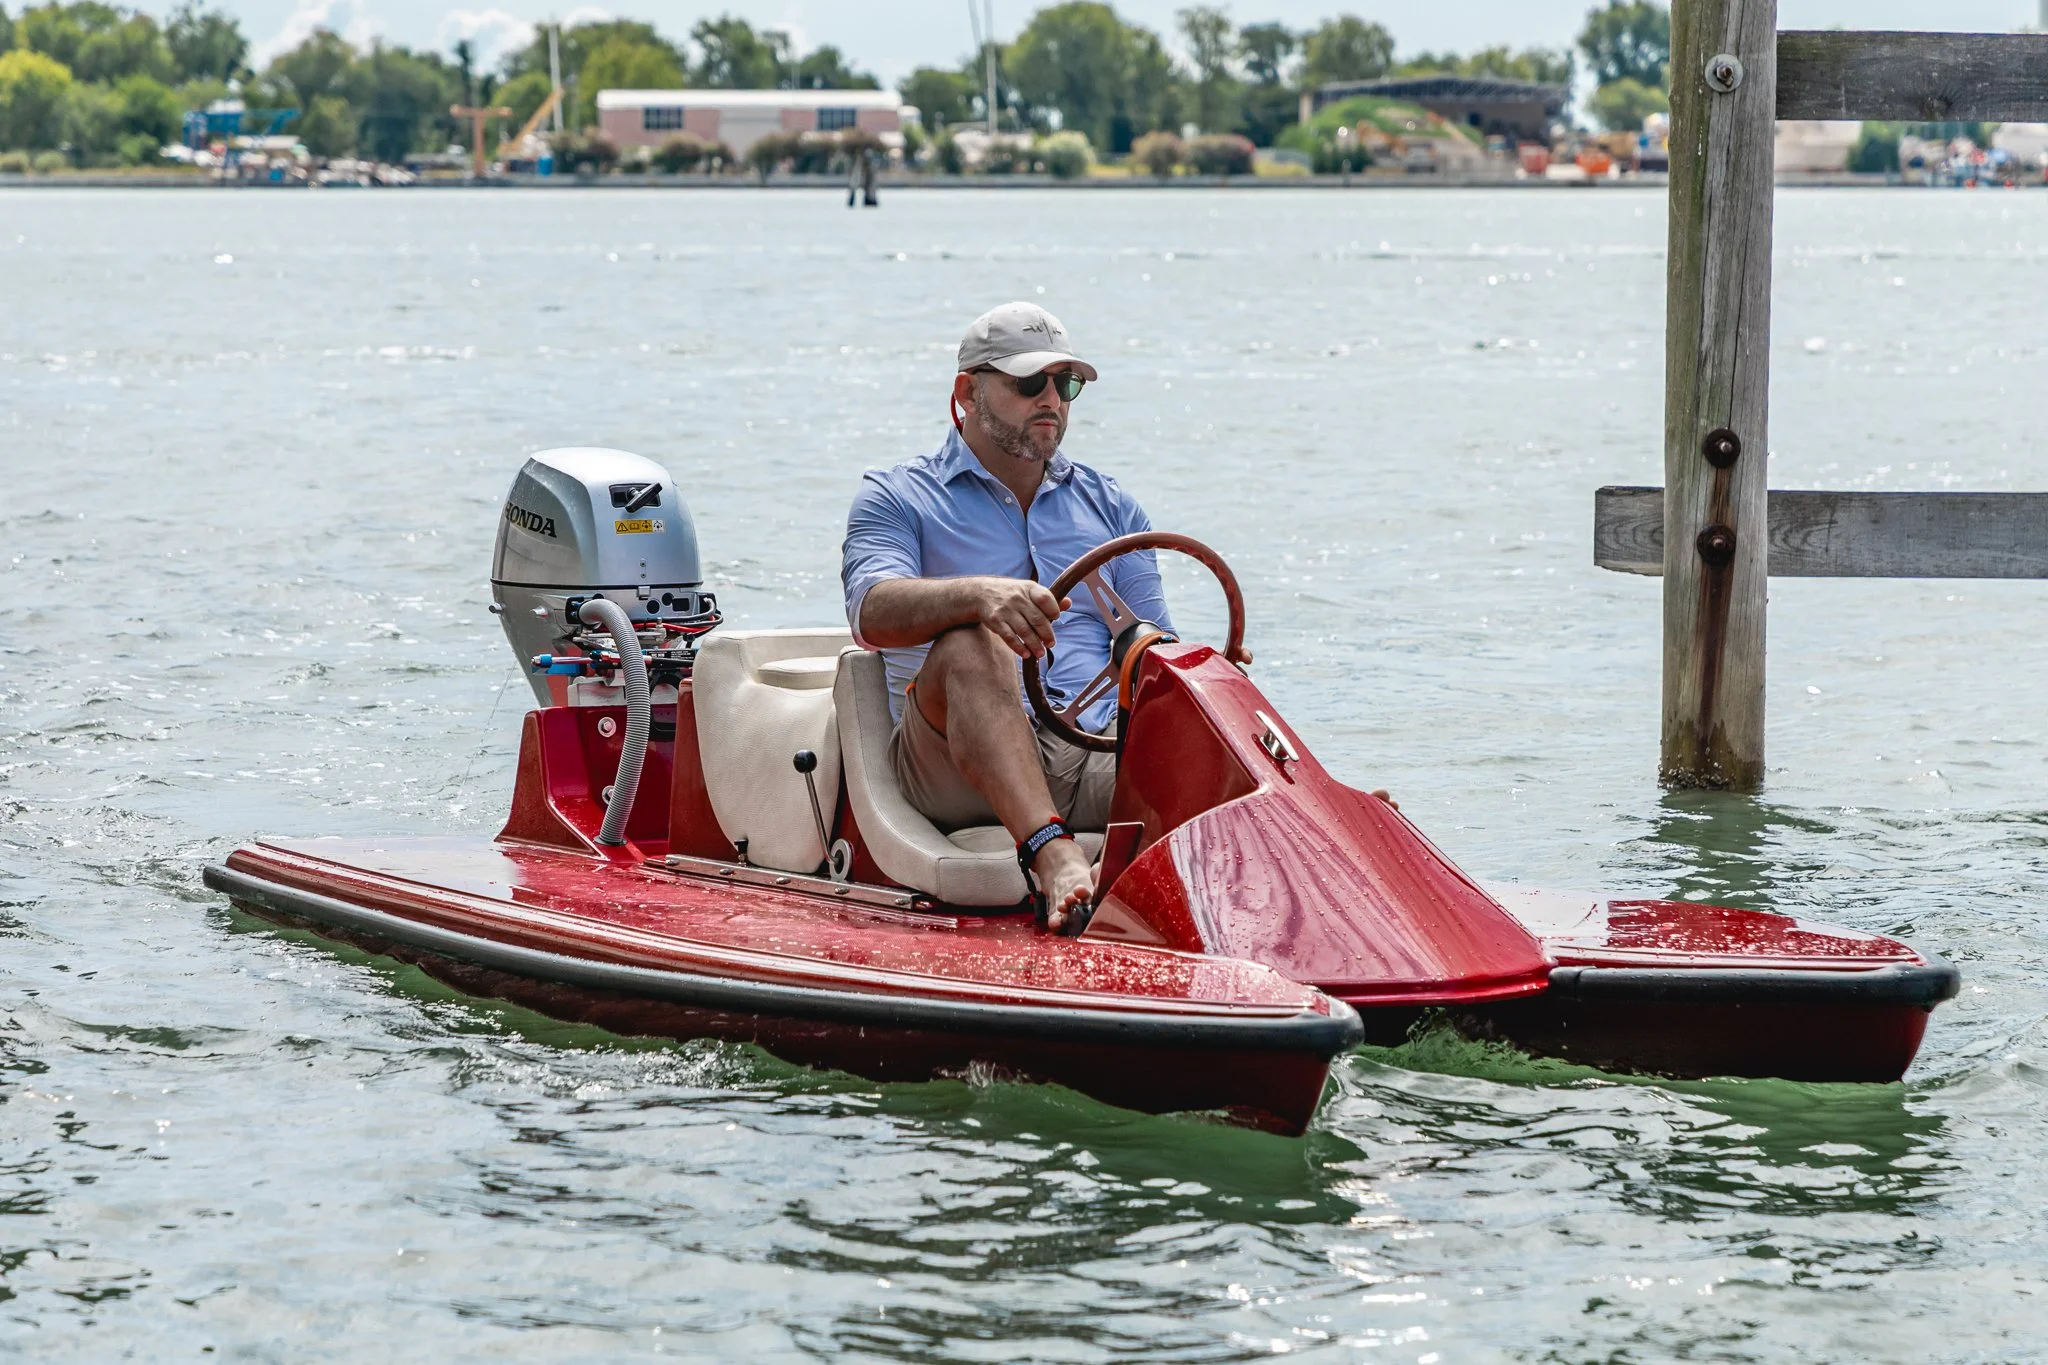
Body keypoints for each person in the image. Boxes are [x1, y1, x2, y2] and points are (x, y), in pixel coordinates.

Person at [841, 302, 1167, 931]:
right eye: (1029, 382)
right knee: (973, 639)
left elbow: (1156, 654)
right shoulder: (895, 496)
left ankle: (1301, 828)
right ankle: (1054, 855)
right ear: (968, 392)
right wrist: (979, 596)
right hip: (951, 764)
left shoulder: (1114, 507)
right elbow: (871, 611)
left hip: (1092, 750)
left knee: (1199, 692)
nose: (1051, 400)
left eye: (1064, 384)